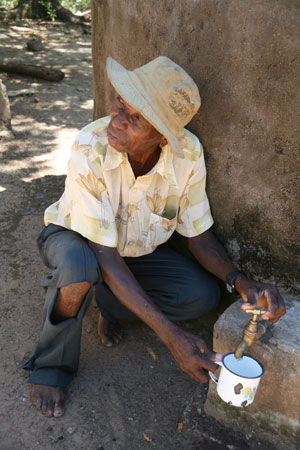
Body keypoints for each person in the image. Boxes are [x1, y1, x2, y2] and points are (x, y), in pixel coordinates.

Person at [23, 56, 286, 417]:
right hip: (78, 240)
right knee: (77, 267)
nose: (117, 120)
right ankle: (51, 367)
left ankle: (107, 303)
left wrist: (239, 280)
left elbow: (199, 236)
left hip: (132, 252)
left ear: (163, 135)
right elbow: (104, 251)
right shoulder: (91, 146)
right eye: (120, 105)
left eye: (136, 118)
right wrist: (171, 336)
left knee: (202, 295)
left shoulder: (186, 154)